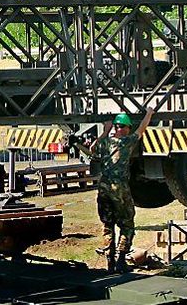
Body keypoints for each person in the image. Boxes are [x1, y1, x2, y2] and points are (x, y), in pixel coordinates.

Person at [77, 108, 154, 273]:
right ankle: (121, 259)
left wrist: (105, 130)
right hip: (119, 189)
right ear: (125, 128)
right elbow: (142, 129)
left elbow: (92, 149)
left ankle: (109, 261)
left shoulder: (105, 142)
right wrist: (149, 114)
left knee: (108, 224)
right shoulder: (126, 142)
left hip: (103, 189)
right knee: (127, 223)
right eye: (127, 127)